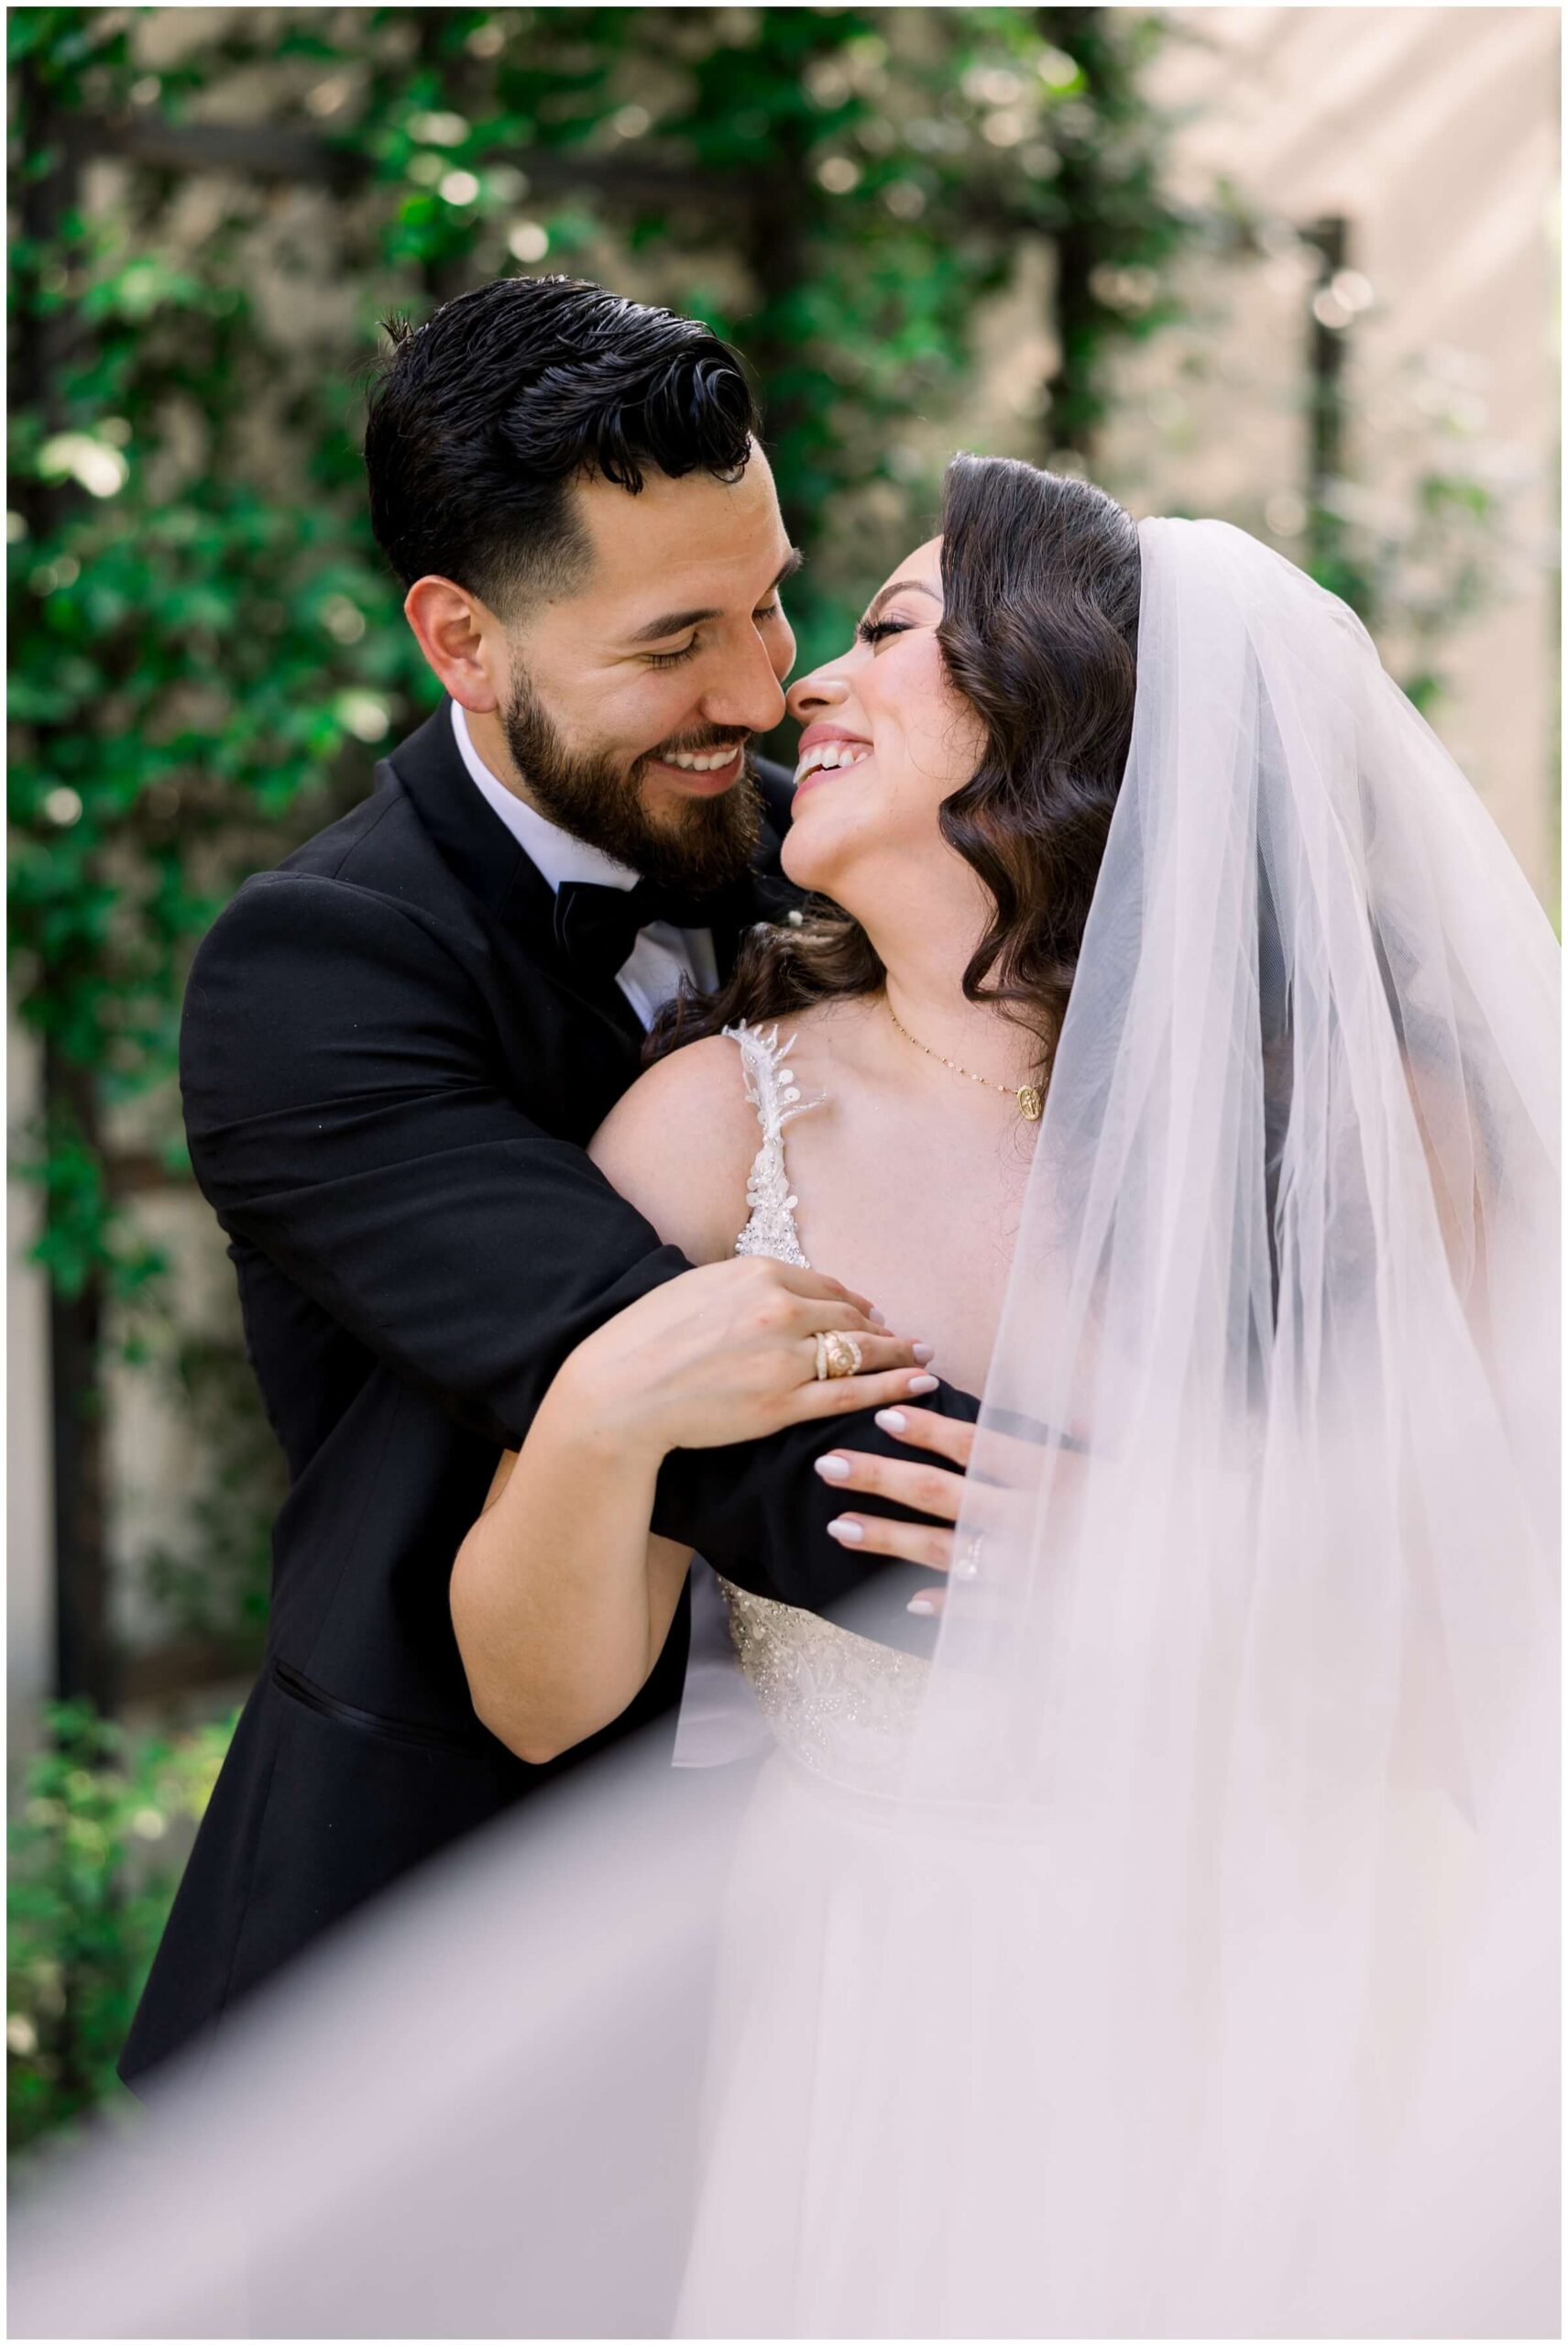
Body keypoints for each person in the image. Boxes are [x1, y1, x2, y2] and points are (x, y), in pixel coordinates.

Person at [118, 274, 967, 2093]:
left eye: (771, 597)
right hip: (443, 1934)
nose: (761, 687)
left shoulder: (826, 850)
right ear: (461, 637)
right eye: (675, 642)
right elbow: (694, 1375)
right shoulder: (315, 975)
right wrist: (1150, 1530)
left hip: (878, 1935)